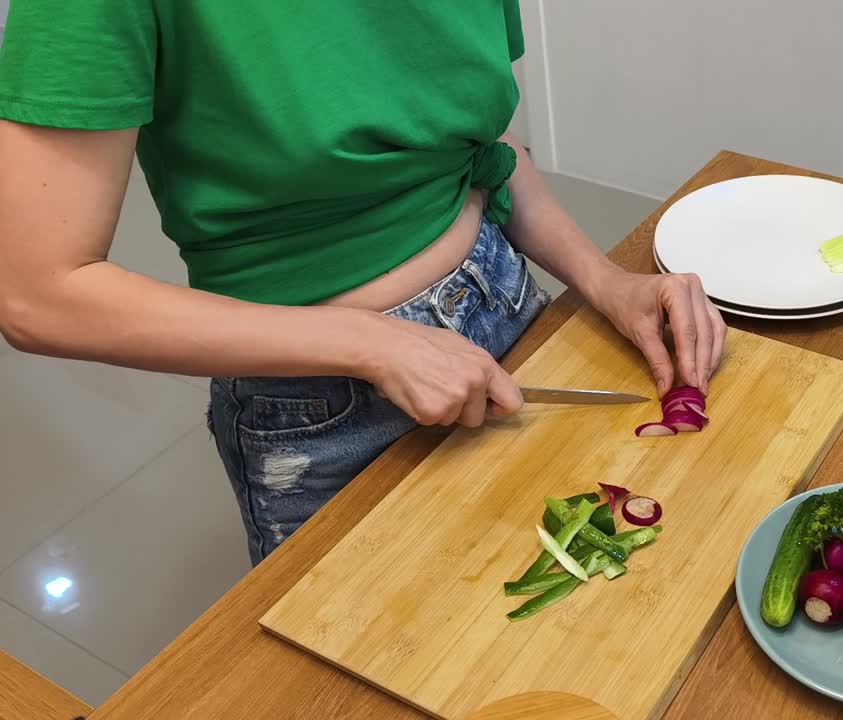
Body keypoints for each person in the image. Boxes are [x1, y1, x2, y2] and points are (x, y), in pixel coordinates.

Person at [0, 2, 726, 564]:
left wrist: (603, 280)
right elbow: (39, 295)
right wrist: (369, 342)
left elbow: (476, 143)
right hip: (319, 400)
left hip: (505, 302)